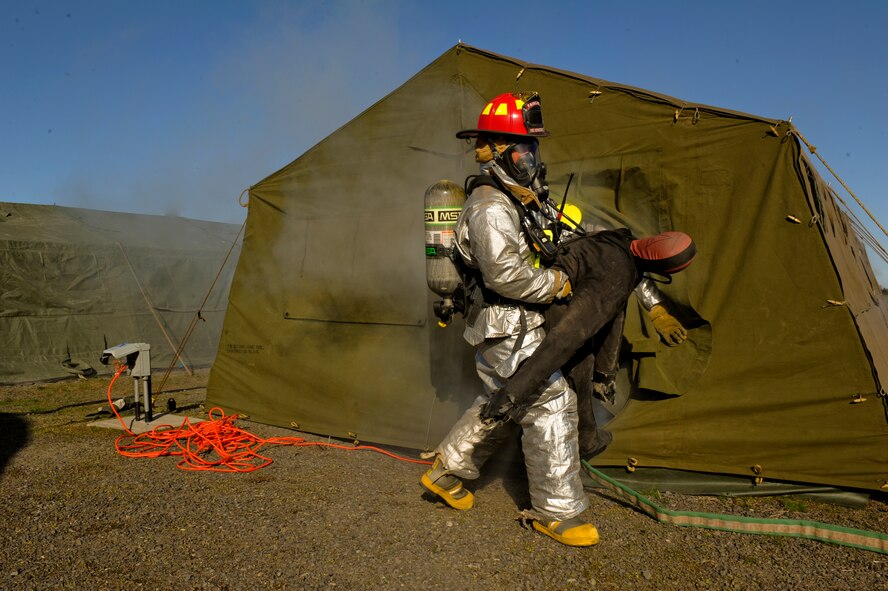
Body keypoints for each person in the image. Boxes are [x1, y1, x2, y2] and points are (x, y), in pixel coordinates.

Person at [420, 91, 599, 547]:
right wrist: (556, 285)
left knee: (503, 400)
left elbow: (556, 234)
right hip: (507, 322)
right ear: (495, 150)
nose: (530, 159)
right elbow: (506, 277)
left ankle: (446, 471)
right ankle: (557, 513)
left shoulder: (518, 197)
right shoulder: (489, 207)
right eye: (521, 149)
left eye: (532, 149)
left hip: (517, 323)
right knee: (548, 402)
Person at [479, 229, 696, 425]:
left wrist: (605, 372)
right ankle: (586, 435)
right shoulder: (616, 276)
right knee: (579, 367)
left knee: (581, 366)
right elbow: (567, 337)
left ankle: (455, 454)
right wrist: (513, 394)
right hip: (536, 313)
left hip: (521, 301)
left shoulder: (618, 239)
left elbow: (615, 314)